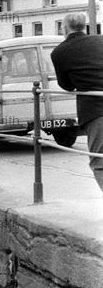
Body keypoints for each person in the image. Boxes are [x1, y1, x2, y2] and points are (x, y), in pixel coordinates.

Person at [51, 13, 103, 190]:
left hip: (95, 111)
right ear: (84, 25)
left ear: (64, 28)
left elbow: (66, 85)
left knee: (100, 162)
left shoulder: (59, 52)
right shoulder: (101, 40)